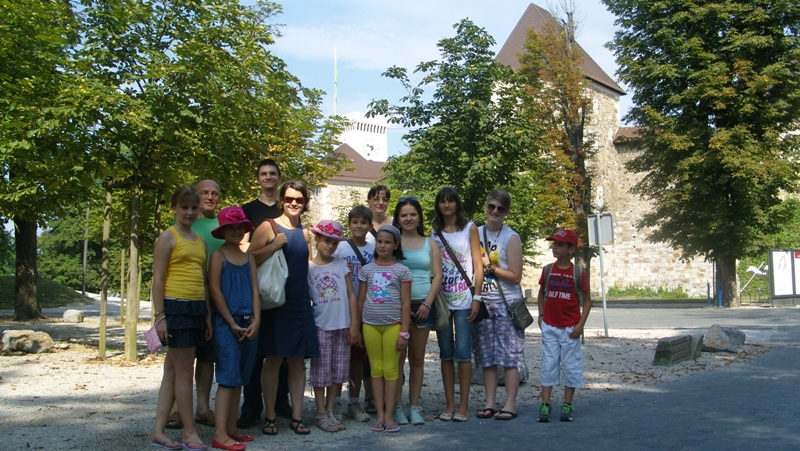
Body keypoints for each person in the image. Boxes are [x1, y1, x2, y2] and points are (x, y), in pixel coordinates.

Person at [248, 180, 319, 436]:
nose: (293, 203)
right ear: (281, 201)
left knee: (298, 362)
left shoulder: (305, 233)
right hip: (276, 303)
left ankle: (297, 417)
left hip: (300, 303)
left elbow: (308, 266)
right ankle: (270, 416)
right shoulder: (269, 226)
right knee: (273, 359)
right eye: (289, 199)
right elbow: (249, 258)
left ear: (305, 203)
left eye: (299, 200)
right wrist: (273, 245)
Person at [150, 185, 212, 451]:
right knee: (186, 373)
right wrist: (160, 316)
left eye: (194, 207)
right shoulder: (168, 237)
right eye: (184, 207)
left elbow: (203, 280)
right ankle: (189, 431)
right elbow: (158, 278)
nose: (189, 212)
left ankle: (158, 431)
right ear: (174, 208)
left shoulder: (200, 241)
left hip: (196, 309)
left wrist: (207, 315)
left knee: (173, 371)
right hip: (176, 309)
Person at [238, 159, 292, 427]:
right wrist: (271, 246)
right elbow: (244, 252)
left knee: (281, 350)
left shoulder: (289, 209)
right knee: (255, 350)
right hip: (257, 287)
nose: (268, 177)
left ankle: (281, 401)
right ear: (258, 179)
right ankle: (251, 407)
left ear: (279, 177)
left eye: (272, 173)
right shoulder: (247, 210)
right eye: (263, 174)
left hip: (283, 286)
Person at [166, 179, 222, 430]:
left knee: (207, 357)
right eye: (204, 193)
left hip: (211, 299)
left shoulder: (222, 226)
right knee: (180, 360)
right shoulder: (182, 224)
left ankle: (203, 408)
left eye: (214, 193)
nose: (209, 197)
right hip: (183, 301)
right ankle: (177, 410)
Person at [208, 206, 260, 451]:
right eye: (231, 227)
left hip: (249, 322)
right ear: (222, 231)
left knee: (240, 376)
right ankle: (219, 433)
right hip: (227, 324)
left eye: (240, 227)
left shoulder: (249, 258)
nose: (236, 231)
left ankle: (231, 427)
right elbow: (215, 291)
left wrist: (257, 320)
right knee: (228, 377)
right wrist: (230, 322)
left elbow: (255, 290)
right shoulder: (218, 256)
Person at [431, 186, 484, 423]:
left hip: (464, 299)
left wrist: (477, 298)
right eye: (442, 201)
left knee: (463, 353)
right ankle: (449, 404)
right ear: (438, 205)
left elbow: (478, 265)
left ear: (457, 204)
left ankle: (463, 405)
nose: (447, 205)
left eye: (450, 201)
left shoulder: (469, 228)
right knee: (445, 353)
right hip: (442, 300)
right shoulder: (433, 232)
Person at [474, 189, 525, 421]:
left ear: (506, 212)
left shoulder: (511, 237)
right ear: (485, 206)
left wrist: (490, 267)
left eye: (500, 208)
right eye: (491, 206)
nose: (495, 211)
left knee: (510, 356)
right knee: (487, 357)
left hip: (507, 302)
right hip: (484, 302)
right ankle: (490, 403)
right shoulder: (476, 232)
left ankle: (510, 404)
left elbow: (515, 276)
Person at [357, 225, 412, 433]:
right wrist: (357, 327)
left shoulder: (402, 271)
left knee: (390, 370)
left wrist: (404, 332)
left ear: (396, 245)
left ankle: (389, 415)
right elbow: (361, 300)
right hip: (370, 326)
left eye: (387, 242)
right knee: (375, 370)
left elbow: (405, 303)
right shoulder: (366, 270)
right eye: (379, 241)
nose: (382, 245)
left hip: (393, 327)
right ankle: (379, 414)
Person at [393, 196, 442, 425]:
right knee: (397, 358)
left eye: (413, 214)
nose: (408, 218)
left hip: (423, 305)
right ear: (398, 218)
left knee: (418, 358)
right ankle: (396, 406)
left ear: (420, 217)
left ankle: (414, 405)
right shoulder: (393, 242)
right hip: (396, 307)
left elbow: (437, 276)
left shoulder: (430, 243)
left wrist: (427, 303)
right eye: (404, 215)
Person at [307, 220, 360, 432]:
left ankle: (330, 409)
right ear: (317, 239)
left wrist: (354, 324)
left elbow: (351, 295)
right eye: (326, 241)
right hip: (321, 325)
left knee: (339, 371)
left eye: (334, 243)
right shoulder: (309, 268)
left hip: (343, 325)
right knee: (321, 372)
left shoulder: (341, 265)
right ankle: (320, 412)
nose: (330, 246)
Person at [536, 229, 592, 423]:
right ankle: (545, 403)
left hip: (570, 329)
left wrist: (581, 324)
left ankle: (567, 403)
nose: (555, 248)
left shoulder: (578, 273)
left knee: (570, 366)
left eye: (559, 245)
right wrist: (541, 314)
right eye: (554, 244)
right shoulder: (548, 270)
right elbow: (541, 293)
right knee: (549, 364)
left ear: (571, 249)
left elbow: (587, 300)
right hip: (550, 326)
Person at [332, 206, 374, 422]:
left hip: (366, 309)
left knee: (357, 358)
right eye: (355, 222)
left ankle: (354, 402)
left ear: (370, 226)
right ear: (349, 224)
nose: (359, 226)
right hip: (342, 308)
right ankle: (335, 402)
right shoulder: (340, 247)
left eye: (363, 222)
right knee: (339, 357)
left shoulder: (374, 247)